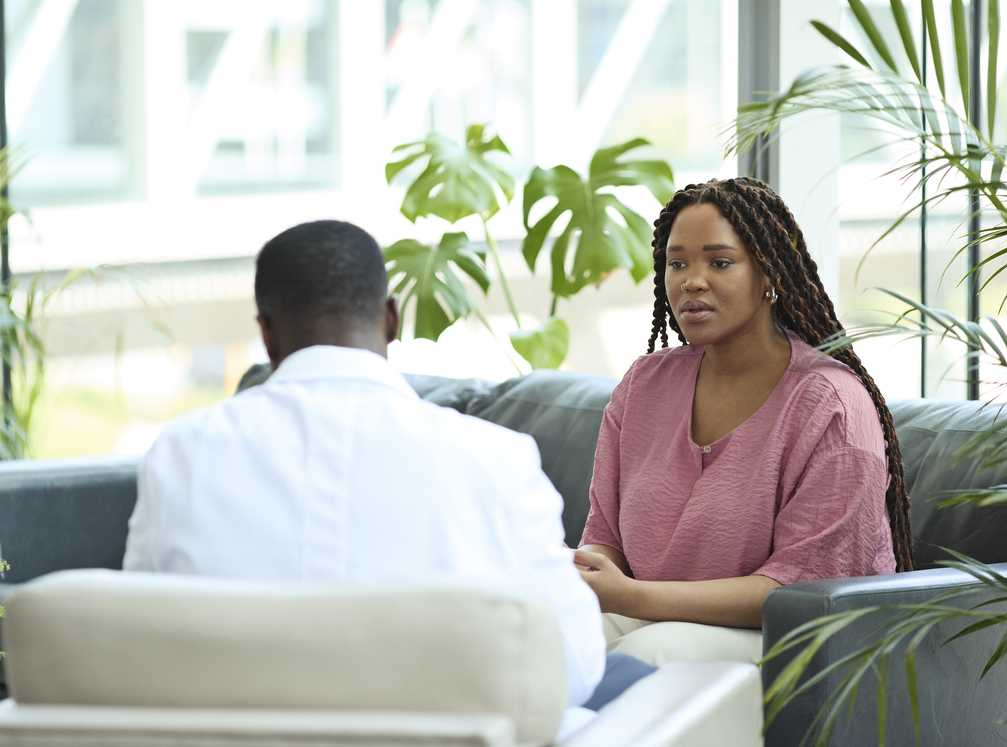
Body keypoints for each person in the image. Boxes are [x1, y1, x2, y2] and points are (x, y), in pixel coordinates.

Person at [123, 219, 618, 722]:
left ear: (267, 333)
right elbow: (571, 668)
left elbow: (138, 649)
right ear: (391, 319)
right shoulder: (496, 458)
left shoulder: (181, 454)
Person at [575, 177, 913, 665]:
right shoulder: (644, 385)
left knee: (642, 658)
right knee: (542, 641)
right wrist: (590, 576)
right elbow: (606, 538)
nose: (692, 280)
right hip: (651, 619)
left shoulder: (830, 405)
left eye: (719, 262)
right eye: (677, 263)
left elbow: (802, 591)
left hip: (794, 641)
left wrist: (631, 597)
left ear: (769, 274)